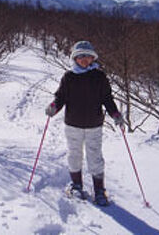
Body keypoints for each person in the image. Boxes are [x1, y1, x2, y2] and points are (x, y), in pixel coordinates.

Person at [45, 40, 123, 206]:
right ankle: (76, 185)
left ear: (92, 58)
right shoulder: (69, 77)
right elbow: (61, 97)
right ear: (75, 58)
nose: (84, 59)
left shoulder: (100, 77)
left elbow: (107, 98)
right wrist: (54, 107)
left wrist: (115, 114)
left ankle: (100, 190)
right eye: (80, 56)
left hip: (94, 124)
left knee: (95, 156)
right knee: (74, 154)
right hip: (73, 124)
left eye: (87, 56)